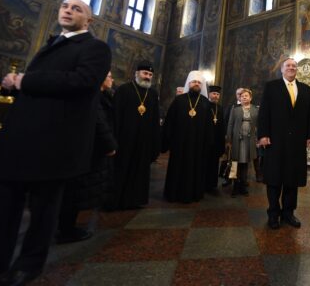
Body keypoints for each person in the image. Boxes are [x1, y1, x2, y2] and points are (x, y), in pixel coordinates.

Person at [0, 0, 111, 284]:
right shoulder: (51, 44)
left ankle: (29, 263)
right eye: (65, 6)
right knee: (3, 205)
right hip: (19, 139)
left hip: (53, 142)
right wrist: (15, 84)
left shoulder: (95, 48)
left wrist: (25, 81)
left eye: (77, 8)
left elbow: (82, 82)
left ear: (89, 21)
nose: (68, 10)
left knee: (43, 210)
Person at [56, 71, 117, 244]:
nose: (112, 79)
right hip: (88, 151)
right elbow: (99, 123)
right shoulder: (93, 96)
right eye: (109, 76)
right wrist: (109, 145)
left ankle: (66, 226)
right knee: (75, 191)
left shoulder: (102, 96)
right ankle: (66, 229)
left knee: (77, 191)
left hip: (89, 150)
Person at [258, 58, 310, 229]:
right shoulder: (271, 87)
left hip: (297, 142)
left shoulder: (305, 89)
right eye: (288, 65)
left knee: (292, 179)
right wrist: (263, 134)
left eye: (294, 66)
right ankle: (273, 214)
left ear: (296, 70)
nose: (291, 68)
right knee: (274, 178)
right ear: (282, 69)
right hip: (275, 140)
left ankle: (288, 213)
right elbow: (264, 112)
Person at [110, 61, 161, 210]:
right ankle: (116, 201)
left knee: (139, 172)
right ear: (137, 73)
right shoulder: (124, 90)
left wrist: (155, 142)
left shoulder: (153, 94)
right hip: (124, 140)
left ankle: (135, 200)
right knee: (121, 170)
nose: (147, 77)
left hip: (144, 142)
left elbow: (155, 120)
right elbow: (115, 116)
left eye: (150, 74)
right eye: (145, 73)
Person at [162, 71, 213, 203]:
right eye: (194, 82)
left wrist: (208, 143)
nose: (196, 84)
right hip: (179, 143)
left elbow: (209, 126)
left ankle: (193, 194)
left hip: (198, 145)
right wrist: (167, 140)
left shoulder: (205, 103)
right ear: (189, 83)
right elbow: (170, 122)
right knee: (177, 168)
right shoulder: (179, 100)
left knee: (195, 169)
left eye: (199, 82)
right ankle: (174, 193)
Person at [227, 88, 259, 196]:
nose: (244, 97)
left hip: (249, 141)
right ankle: (235, 187)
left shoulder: (255, 109)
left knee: (245, 163)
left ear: (250, 98)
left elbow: (258, 125)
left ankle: (243, 186)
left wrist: (258, 139)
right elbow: (230, 124)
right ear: (239, 98)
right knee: (235, 163)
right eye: (242, 96)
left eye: (246, 96)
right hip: (237, 140)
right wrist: (229, 140)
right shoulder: (235, 109)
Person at [206, 85, 225, 192]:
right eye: (214, 93)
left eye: (218, 94)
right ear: (209, 94)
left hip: (216, 142)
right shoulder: (204, 105)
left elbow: (222, 126)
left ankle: (212, 185)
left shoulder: (220, 108)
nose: (216, 96)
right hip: (206, 141)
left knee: (214, 164)